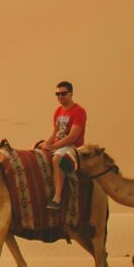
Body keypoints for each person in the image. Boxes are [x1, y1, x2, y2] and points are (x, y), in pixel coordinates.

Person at [38, 79, 87, 209]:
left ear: (71, 94)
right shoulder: (58, 111)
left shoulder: (79, 111)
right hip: (59, 143)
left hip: (72, 146)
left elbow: (72, 137)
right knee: (37, 154)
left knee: (56, 159)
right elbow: (55, 133)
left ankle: (57, 198)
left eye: (63, 93)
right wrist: (46, 144)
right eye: (57, 94)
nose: (60, 97)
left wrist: (53, 147)